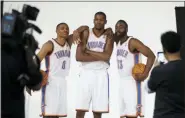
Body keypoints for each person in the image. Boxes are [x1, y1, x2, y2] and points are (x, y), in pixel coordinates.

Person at [37, 22, 89, 118]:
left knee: (57, 114)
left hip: (62, 82)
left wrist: (76, 31)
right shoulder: (49, 44)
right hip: (50, 81)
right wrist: (38, 73)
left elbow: (85, 27)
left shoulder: (68, 42)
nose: (65, 30)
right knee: (49, 114)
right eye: (62, 28)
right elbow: (36, 61)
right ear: (56, 31)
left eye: (67, 28)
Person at [75, 11, 114, 118]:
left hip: (101, 74)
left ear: (105, 21)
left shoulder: (109, 35)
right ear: (93, 20)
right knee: (80, 109)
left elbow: (107, 56)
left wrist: (88, 51)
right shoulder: (86, 33)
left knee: (98, 110)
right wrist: (100, 56)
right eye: (96, 19)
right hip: (86, 73)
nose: (98, 22)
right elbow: (78, 57)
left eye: (101, 20)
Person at [114, 20, 155, 118]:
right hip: (122, 82)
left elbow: (151, 56)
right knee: (124, 115)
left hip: (133, 82)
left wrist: (145, 74)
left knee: (133, 115)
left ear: (127, 29)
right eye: (116, 27)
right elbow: (107, 32)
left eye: (121, 27)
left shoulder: (132, 42)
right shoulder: (118, 41)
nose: (118, 29)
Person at [146, 31, 184, 118]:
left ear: (164, 48)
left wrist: (155, 69)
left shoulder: (159, 71)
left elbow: (148, 89)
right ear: (180, 46)